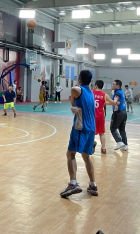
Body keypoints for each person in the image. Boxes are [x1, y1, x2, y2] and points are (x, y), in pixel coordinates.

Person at [61, 70, 98, 198]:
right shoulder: (91, 93)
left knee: (70, 154)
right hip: (91, 128)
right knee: (86, 156)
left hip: (80, 127)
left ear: (80, 79)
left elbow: (73, 99)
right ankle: (93, 185)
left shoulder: (77, 90)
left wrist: (73, 105)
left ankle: (73, 183)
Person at [110, 79, 128, 151]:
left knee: (113, 128)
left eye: (113, 84)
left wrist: (106, 103)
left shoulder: (117, 93)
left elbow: (117, 103)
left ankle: (119, 142)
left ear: (118, 86)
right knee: (122, 129)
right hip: (124, 112)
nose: (112, 85)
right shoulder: (121, 92)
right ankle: (125, 145)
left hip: (118, 112)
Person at [94, 79, 108, 153]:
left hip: (92, 116)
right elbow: (111, 102)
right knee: (101, 133)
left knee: (91, 132)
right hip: (101, 116)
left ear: (96, 86)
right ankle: (103, 148)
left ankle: (91, 145)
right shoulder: (104, 94)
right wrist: (115, 102)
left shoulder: (91, 93)